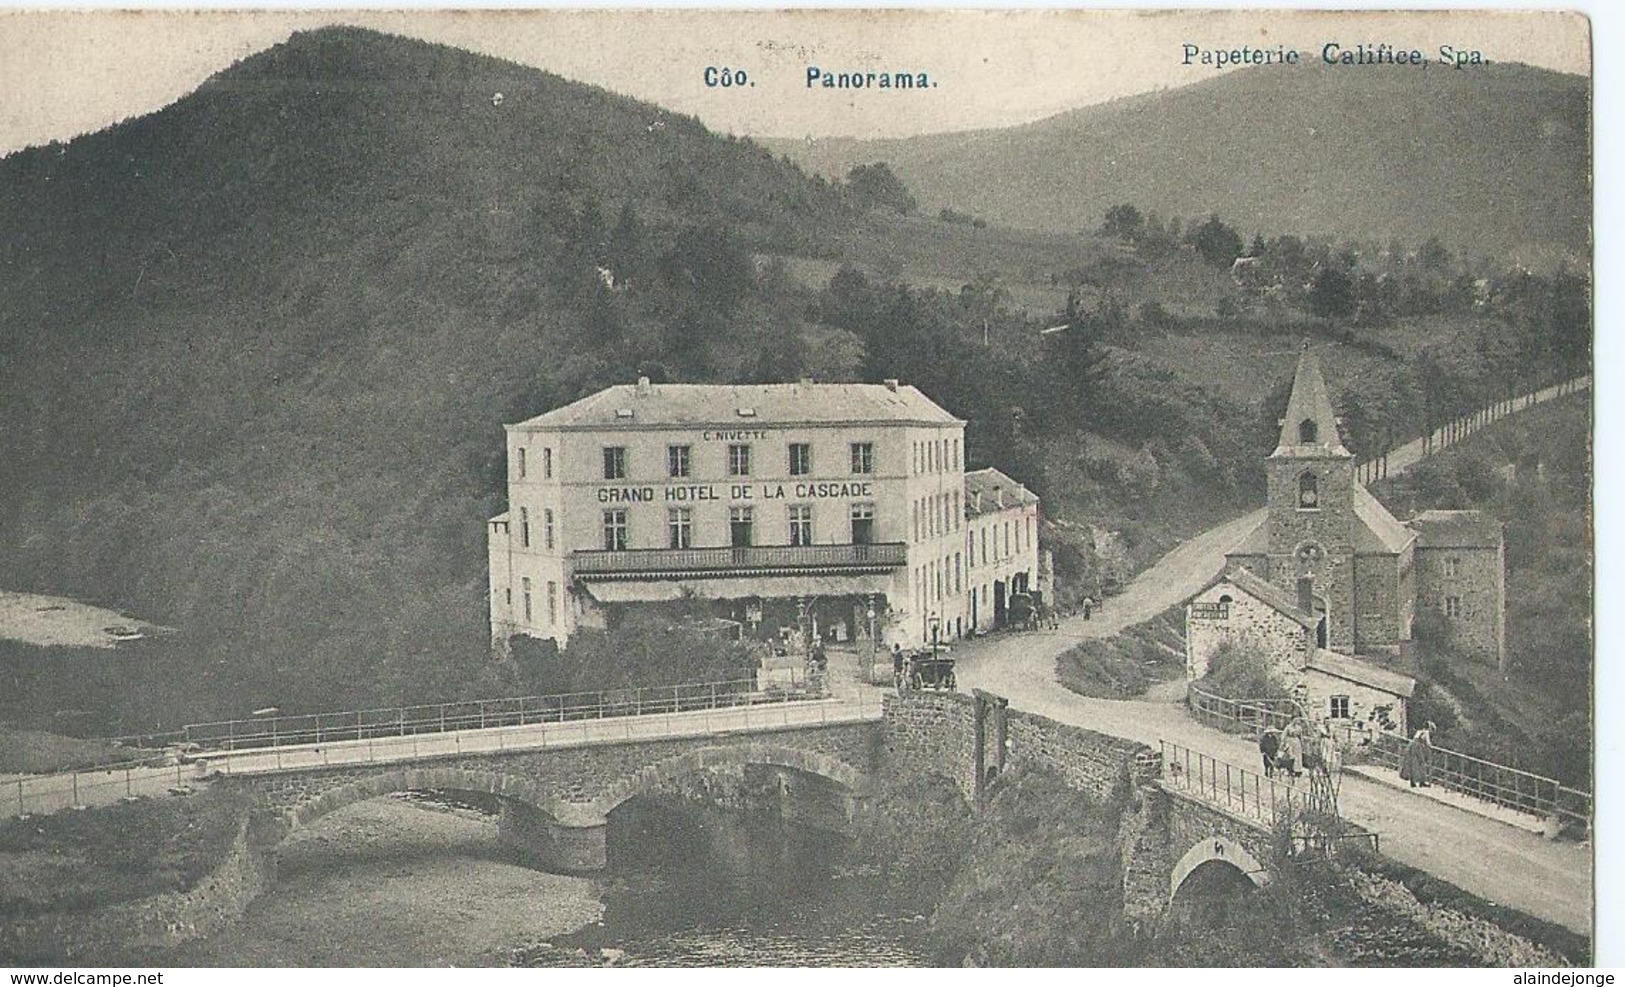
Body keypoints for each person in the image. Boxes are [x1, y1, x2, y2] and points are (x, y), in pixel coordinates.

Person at [1400, 722, 1435, 788]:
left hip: (1412, 745)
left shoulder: (1419, 731)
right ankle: (1422, 781)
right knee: (1422, 763)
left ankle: (1413, 782)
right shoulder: (1426, 732)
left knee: (1413, 763)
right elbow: (1428, 743)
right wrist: (1431, 747)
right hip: (1417, 746)